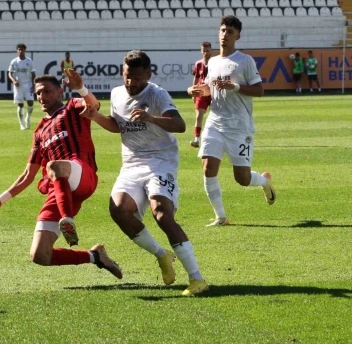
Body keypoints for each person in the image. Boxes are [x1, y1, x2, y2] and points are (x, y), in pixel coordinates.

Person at [82, 50, 208, 297]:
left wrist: (152, 118)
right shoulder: (117, 93)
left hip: (160, 161)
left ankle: (197, 278)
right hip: (131, 163)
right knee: (118, 209)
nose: (131, 82)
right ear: (122, 72)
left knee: (161, 213)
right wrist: (96, 116)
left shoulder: (157, 94)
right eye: (128, 76)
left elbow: (180, 125)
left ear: (148, 75)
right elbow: (118, 126)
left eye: (137, 78)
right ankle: (162, 255)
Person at [0, 69, 122, 280]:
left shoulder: (72, 108)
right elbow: (28, 175)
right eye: (38, 93)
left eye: (47, 91)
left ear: (60, 91)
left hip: (82, 175)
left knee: (54, 165)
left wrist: (80, 88)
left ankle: (66, 219)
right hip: (59, 190)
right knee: (40, 255)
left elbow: (94, 105)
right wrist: (0, 201)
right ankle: (95, 256)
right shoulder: (40, 132)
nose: (42, 97)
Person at [187, 15, 276, 227]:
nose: (225, 35)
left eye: (230, 32)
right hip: (215, 122)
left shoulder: (244, 61)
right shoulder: (213, 61)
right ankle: (221, 217)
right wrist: (195, 90)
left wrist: (234, 87)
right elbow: (210, 87)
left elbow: (259, 90)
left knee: (242, 179)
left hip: (238, 126)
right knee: (208, 167)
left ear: (238, 36)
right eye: (223, 30)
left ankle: (264, 181)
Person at [190, 41, 213, 148]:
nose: (206, 53)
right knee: (199, 116)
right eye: (204, 51)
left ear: (211, 51)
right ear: (201, 51)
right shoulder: (198, 64)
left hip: (213, 93)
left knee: (216, 116)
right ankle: (196, 139)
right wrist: (194, 92)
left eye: (207, 51)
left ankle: (215, 138)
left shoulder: (215, 62)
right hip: (200, 92)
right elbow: (196, 78)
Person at [8, 43, 36, 130]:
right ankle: (22, 124)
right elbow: (10, 73)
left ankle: (27, 118)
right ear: (17, 51)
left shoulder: (29, 61)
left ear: (25, 50)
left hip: (28, 84)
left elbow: (33, 73)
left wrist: (34, 84)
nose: (20, 51)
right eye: (19, 49)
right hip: (18, 86)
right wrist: (14, 81)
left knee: (30, 102)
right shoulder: (14, 61)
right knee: (20, 105)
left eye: (22, 49)